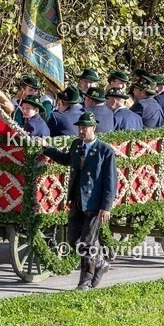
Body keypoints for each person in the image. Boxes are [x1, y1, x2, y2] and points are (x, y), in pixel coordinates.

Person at [41, 112, 117, 290]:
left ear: (93, 128)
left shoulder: (105, 151)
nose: (81, 131)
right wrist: (46, 148)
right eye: (79, 127)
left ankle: (85, 281)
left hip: (94, 204)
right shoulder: (76, 145)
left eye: (85, 128)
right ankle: (100, 263)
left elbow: (110, 181)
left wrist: (106, 207)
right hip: (76, 201)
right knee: (74, 239)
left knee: (87, 242)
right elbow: (66, 160)